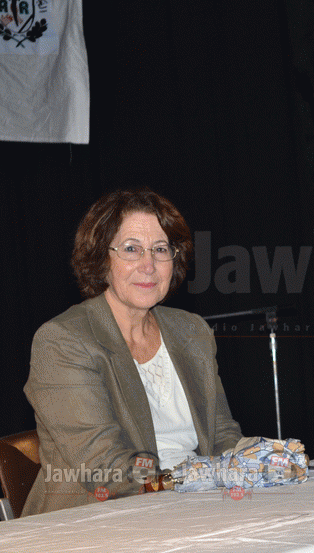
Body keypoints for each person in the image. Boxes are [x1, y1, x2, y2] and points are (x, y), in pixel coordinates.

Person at [23, 189, 243, 516]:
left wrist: (259, 460)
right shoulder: (62, 341)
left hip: (194, 504)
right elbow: (105, 467)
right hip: (98, 519)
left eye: (160, 249)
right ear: (102, 259)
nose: (148, 265)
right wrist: (192, 480)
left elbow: (222, 434)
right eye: (131, 249)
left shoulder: (191, 330)